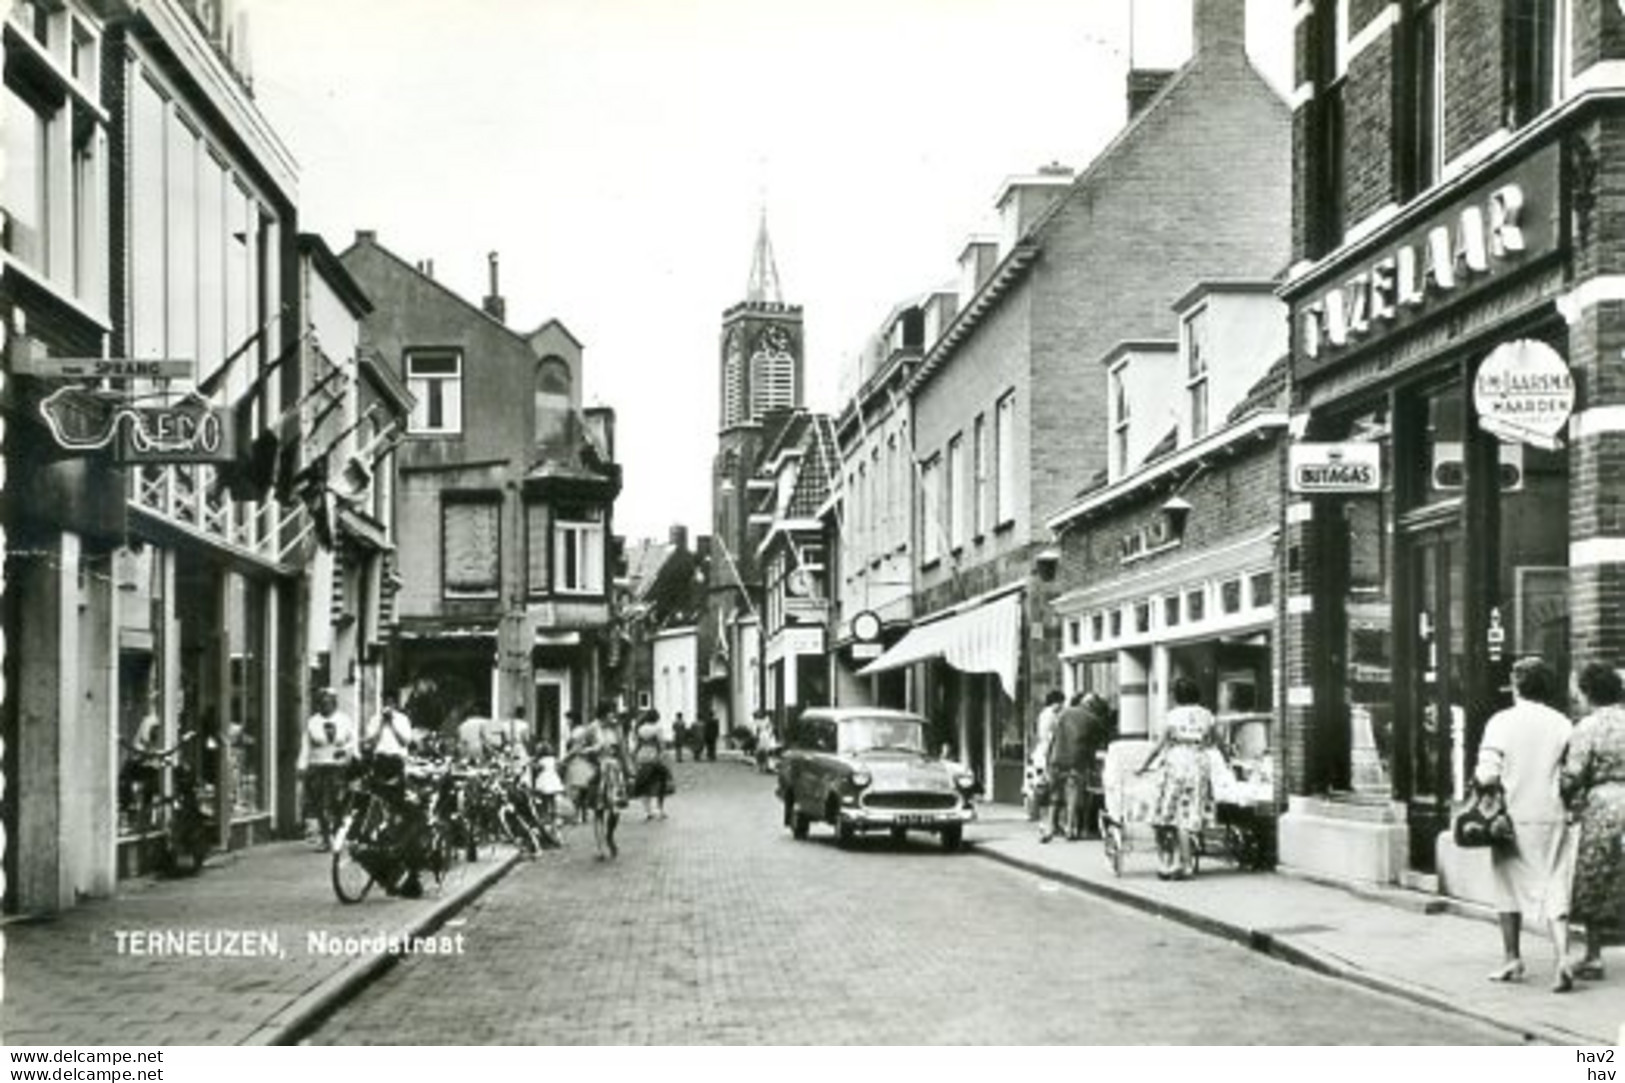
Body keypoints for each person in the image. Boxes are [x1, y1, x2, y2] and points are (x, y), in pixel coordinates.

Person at [1475, 656, 1576, 992]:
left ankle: (1512, 958)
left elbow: (1487, 772)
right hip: (1552, 814)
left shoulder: (1501, 722)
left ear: (1517, 684)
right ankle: (1561, 958)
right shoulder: (1562, 723)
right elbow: (1570, 774)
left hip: (1511, 818)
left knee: (1507, 887)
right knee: (1555, 884)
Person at [1562, 660, 1625, 981]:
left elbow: (1573, 774)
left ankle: (1594, 955)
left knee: (1596, 876)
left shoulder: (1587, 727)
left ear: (1588, 693)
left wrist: (1563, 796)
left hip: (1604, 804)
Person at [1138, 676, 1219, 880]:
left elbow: (1159, 746)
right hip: (1199, 763)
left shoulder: (1172, 716)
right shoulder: (1207, 715)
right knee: (1189, 814)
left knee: (1170, 816)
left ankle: (1175, 862)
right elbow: (1214, 741)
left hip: (1177, 763)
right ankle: (1187, 863)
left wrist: (1144, 766)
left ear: (1176, 696)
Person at [296, 688, 359, 848]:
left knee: (337, 801)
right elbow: (306, 745)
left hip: (338, 767)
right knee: (319, 803)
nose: (326, 706)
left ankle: (337, 833)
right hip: (318, 765)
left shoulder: (344, 720)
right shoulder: (313, 722)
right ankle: (326, 837)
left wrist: (345, 750)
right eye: (322, 703)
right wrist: (302, 765)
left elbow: (353, 741)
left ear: (334, 703)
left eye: (329, 702)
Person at [1045, 693, 1096, 843]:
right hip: (1076, 762)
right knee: (1072, 797)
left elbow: (1053, 738)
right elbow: (1092, 745)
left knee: (1054, 796)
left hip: (1057, 760)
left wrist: (1048, 759)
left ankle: (1050, 828)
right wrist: (1091, 764)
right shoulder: (1091, 719)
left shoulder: (1063, 714)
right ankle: (1069, 828)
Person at [1030, 691, 1064, 834]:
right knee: (1047, 789)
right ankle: (1046, 822)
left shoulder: (1044, 714)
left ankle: (1047, 822)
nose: (1062, 706)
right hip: (1046, 756)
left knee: (1044, 788)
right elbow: (1049, 736)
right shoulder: (1051, 715)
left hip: (1041, 755)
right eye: (1061, 702)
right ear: (1055, 702)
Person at [631, 709, 673, 820]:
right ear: (656, 718)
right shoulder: (657, 729)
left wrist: (634, 758)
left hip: (641, 758)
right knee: (661, 782)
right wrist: (664, 757)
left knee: (644, 785)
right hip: (654, 758)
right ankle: (659, 809)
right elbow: (661, 745)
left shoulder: (640, 729)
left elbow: (636, 746)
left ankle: (647, 811)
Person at [561, 711, 594, 824]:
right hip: (584, 762)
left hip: (577, 762)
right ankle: (583, 816)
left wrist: (565, 759)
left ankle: (576, 816)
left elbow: (575, 749)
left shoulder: (577, 732)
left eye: (568, 719)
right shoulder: (582, 730)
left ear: (574, 720)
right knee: (583, 789)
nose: (567, 722)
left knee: (576, 790)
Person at [533, 740, 566, 828]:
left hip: (544, 781)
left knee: (545, 801)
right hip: (553, 780)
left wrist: (534, 764)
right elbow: (560, 766)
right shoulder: (553, 759)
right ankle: (556, 818)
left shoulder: (541, 760)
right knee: (553, 801)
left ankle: (546, 818)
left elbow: (537, 768)